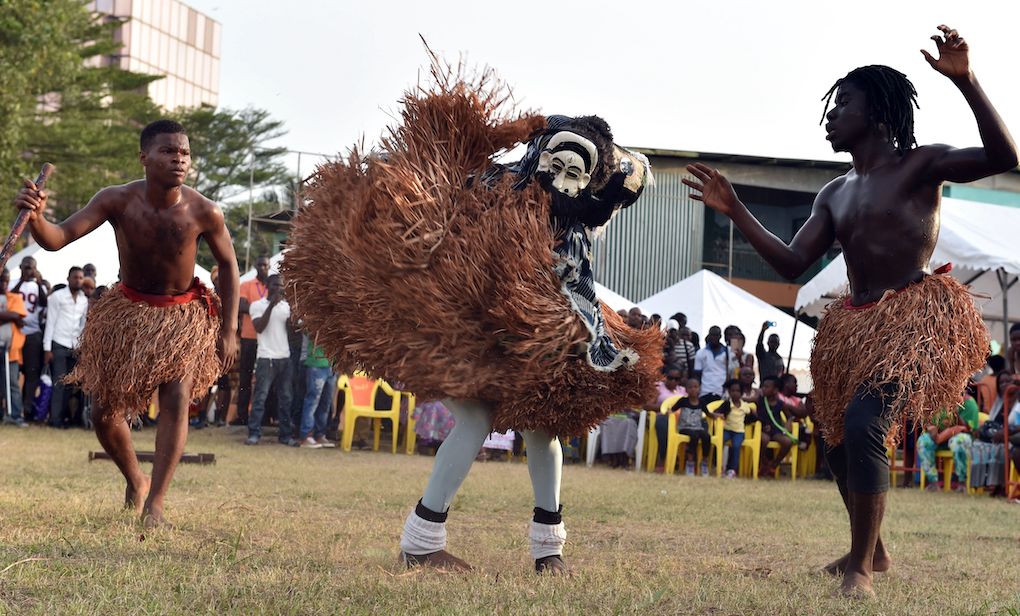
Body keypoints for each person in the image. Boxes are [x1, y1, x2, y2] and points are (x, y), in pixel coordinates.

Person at [282, 67, 661, 574]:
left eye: (577, 171)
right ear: (538, 156)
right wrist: (529, 126)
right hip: (463, 329)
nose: (561, 177)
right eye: (555, 161)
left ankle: (549, 551)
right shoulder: (495, 187)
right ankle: (421, 542)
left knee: (543, 430)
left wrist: (583, 138)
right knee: (478, 420)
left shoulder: (574, 216)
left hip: (524, 338)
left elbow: (635, 176)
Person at [683, 26, 1015, 596]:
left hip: (912, 319)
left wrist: (966, 80)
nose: (831, 117)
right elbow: (792, 264)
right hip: (854, 323)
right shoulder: (834, 193)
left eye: (843, 106)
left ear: (877, 114)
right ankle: (873, 550)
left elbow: (1003, 156)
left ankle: (859, 567)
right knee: (835, 431)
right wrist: (735, 209)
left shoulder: (920, 166)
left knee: (865, 423)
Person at [15, 119, 239, 527]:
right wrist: (36, 218)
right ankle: (136, 479)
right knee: (102, 413)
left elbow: (228, 265)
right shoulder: (116, 200)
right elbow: (58, 237)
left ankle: (155, 503)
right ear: (144, 158)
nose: (179, 159)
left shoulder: (204, 210)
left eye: (184, 153)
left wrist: (228, 328)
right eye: (169, 152)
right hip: (127, 312)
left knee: (175, 398)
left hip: (181, 318)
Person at [245, 274, 295, 446]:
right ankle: (254, 434)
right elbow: (259, 327)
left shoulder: (287, 307)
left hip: (284, 358)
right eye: (275, 285)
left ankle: (285, 435)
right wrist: (271, 305)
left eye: (281, 286)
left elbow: (293, 330)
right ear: (267, 285)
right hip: (266, 358)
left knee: (286, 398)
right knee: (260, 397)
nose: (278, 289)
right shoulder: (257, 306)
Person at [42, 266, 88, 428]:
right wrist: (47, 348)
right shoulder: (57, 297)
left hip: (74, 346)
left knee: (69, 384)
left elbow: (83, 325)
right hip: (58, 343)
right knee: (58, 383)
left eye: (81, 278)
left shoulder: (83, 300)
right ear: (68, 278)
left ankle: (62, 417)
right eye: (75, 277)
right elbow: (50, 323)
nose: (78, 280)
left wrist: (82, 347)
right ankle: (55, 419)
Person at [235, 255, 271, 425]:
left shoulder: (272, 287)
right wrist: (264, 309)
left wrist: (255, 309)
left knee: (265, 379)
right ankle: (242, 416)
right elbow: (241, 306)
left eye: (267, 266)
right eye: (261, 265)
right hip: (249, 337)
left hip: (267, 339)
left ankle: (264, 417)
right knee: (245, 377)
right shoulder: (246, 286)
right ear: (256, 267)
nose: (264, 268)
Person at [12, 256, 48, 417]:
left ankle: (26, 408)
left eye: (31, 268)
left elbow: (44, 302)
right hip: (15, 332)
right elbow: (9, 295)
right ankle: (12, 407)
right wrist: (22, 280)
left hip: (32, 333)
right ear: (20, 267)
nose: (29, 271)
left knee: (31, 372)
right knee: (13, 371)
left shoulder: (38, 286)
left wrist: (39, 282)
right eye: (26, 267)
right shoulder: (13, 282)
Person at [668, 378, 718, 476]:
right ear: (686, 390)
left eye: (695, 387)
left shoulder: (702, 402)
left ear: (699, 389)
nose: (693, 389)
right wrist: (668, 413)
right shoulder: (683, 401)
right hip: (684, 428)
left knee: (706, 436)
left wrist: (716, 415)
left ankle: (704, 461)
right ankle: (690, 462)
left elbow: (708, 414)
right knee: (694, 436)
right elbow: (673, 409)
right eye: (690, 387)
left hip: (698, 427)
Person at [296, 336, 337, 448]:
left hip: (331, 365)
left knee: (325, 403)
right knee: (312, 401)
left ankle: (320, 434)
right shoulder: (315, 319)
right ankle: (306, 435)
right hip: (316, 363)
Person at [0, 269, 28, 427]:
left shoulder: (15, 297)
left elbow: (19, 317)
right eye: (1, 281)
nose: (4, 284)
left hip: (11, 350)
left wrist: (12, 316)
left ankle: (16, 415)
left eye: (6, 281)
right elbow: (14, 317)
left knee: (12, 383)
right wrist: (11, 316)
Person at [755, 376, 795, 477]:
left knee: (787, 442)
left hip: (776, 430)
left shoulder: (781, 404)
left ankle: (774, 464)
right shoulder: (759, 400)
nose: (763, 388)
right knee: (763, 440)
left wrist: (787, 425)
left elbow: (790, 417)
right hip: (764, 429)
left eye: (767, 387)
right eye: (763, 386)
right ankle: (763, 463)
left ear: (775, 390)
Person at [717, 379, 756, 478]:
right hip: (726, 430)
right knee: (719, 441)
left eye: (738, 391)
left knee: (736, 446)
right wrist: (720, 415)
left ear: (742, 393)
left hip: (739, 432)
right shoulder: (726, 404)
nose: (735, 393)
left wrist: (754, 413)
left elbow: (752, 415)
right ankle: (720, 466)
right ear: (729, 392)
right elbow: (717, 411)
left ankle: (732, 469)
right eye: (732, 391)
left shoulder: (744, 406)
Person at [693, 326, 729, 402]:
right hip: (705, 391)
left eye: (716, 335)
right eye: (712, 335)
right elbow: (697, 375)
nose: (714, 337)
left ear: (720, 336)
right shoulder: (700, 353)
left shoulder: (728, 352)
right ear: (709, 336)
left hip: (722, 392)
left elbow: (730, 372)